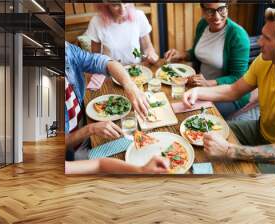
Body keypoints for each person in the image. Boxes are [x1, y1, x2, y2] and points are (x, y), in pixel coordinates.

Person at [182, 7, 275, 160]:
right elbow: (233, 90)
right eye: (262, 35)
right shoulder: (263, 61)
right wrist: (197, 92)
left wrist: (230, 150)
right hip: (260, 130)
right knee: (199, 138)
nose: (259, 42)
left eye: (267, 38)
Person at [65, 41, 167, 174]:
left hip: (83, 128)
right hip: (72, 152)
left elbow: (106, 62)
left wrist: (130, 85)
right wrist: (90, 129)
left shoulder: (67, 50)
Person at [164, 3, 252, 118]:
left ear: (227, 7)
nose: (217, 17)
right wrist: (182, 54)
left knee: (190, 113)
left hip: (229, 95)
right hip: (198, 86)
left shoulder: (239, 36)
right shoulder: (203, 24)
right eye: (210, 11)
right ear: (203, 10)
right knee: (170, 100)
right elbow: (199, 53)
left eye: (221, 9)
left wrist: (208, 83)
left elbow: (238, 77)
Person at [86, 3, 159, 65]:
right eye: (115, 5)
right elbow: (95, 57)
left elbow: (147, 47)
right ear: (105, 5)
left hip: (137, 70)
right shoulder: (96, 22)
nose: (122, 10)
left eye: (125, 3)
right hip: (111, 72)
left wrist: (151, 53)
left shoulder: (139, 16)